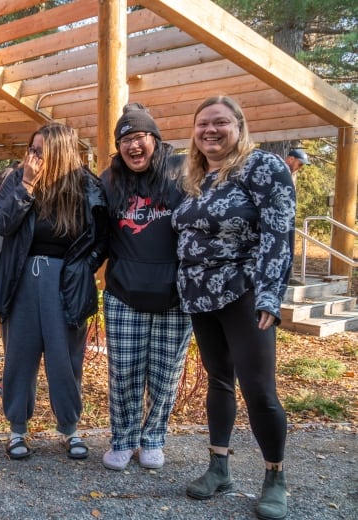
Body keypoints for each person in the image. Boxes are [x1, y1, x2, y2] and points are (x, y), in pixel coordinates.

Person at [172, 96, 295, 520]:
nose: (210, 130)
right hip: (199, 296)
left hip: (244, 293)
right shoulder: (196, 175)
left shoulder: (263, 168)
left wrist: (269, 294)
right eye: (202, 123)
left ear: (239, 127)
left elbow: (279, 233)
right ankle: (218, 467)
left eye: (220, 122)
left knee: (258, 389)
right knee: (219, 381)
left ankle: (274, 477)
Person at [0, 122, 108, 460]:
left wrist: (86, 268)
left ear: (61, 151)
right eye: (32, 149)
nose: (33, 156)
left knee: (65, 359)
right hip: (23, 278)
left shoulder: (86, 185)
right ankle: (16, 430)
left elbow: (101, 236)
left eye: (41, 150)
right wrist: (26, 185)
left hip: (66, 281)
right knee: (19, 357)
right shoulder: (17, 178)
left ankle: (69, 428)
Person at [99, 104, 192, 471]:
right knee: (124, 372)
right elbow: (94, 230)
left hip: (175, 294)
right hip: (124, 292)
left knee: (165, 373)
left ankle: (153, 439)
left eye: (139, 137)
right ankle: (122, 439)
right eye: (125, 140)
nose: (133, 146)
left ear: (154, 138)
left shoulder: (182, 170)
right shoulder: (110, 179)